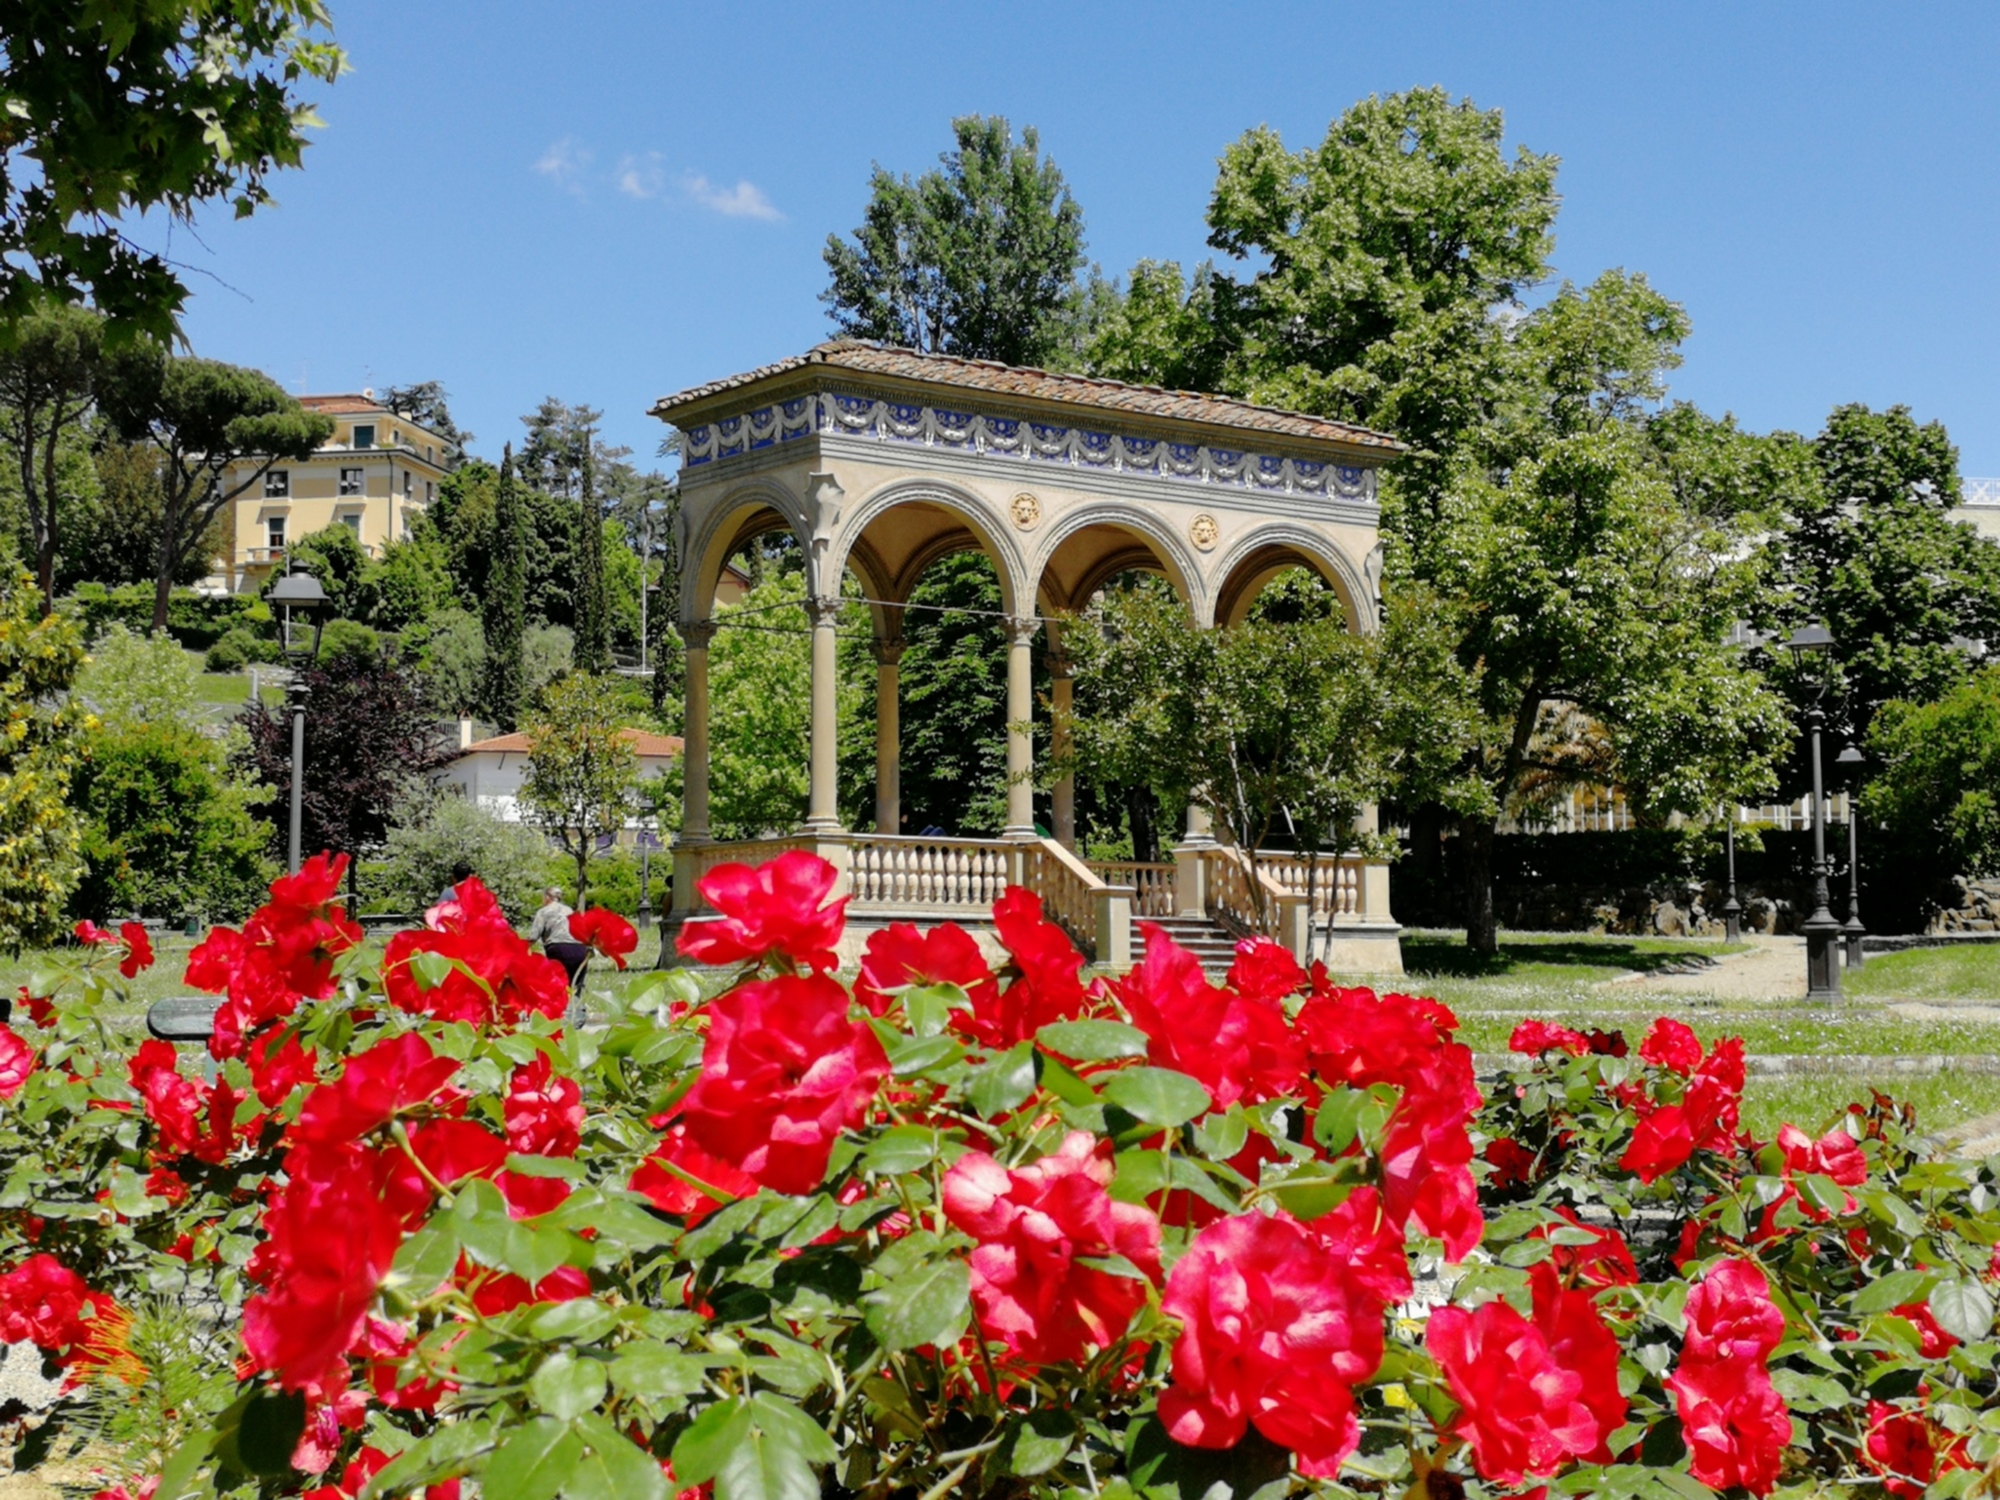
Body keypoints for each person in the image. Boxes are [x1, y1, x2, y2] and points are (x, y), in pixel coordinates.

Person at [528, 885, 590, 991]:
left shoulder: (543, 912)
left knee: (556, 984)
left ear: (547, 897)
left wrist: (520, 949)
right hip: (580, 949)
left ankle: (560, 1006)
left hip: (559, 948)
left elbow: (533, 937)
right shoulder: (570, 911)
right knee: (575, 984)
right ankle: (577, 1005)